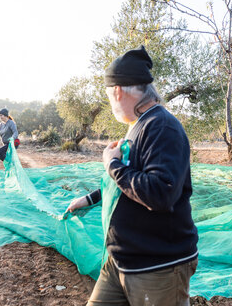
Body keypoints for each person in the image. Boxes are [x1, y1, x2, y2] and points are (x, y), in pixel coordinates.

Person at [66, 45, 198, 306]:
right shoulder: (138, 126)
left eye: (109, 97)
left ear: (117, 91)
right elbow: (130, 181)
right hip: (121, 259)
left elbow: (159, 193)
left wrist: (111, 164)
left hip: (157, 264)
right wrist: (91, 199)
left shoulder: (162, 127)